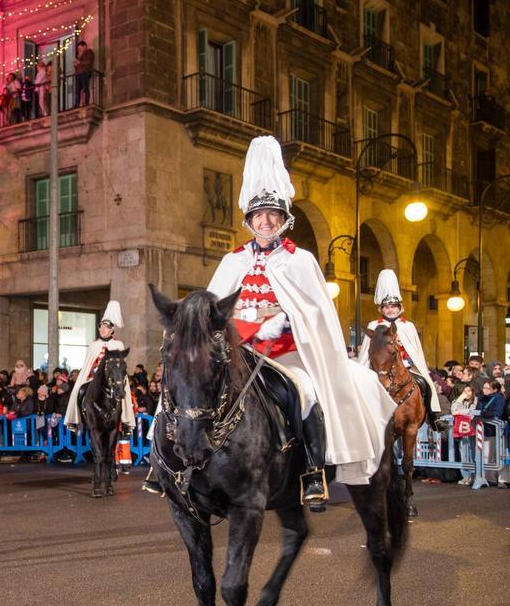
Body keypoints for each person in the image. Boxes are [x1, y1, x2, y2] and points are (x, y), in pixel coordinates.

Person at [158, 135, 396, 509]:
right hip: (241, 351)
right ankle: (166, 465)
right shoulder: (232, 261)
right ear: (249, 220)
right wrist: (246, 322)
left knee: (304, 393)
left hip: (285, 351)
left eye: (272, 215)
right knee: (187, 383)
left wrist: (286, 317)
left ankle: (314, 472)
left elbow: (316, 312)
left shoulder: (299, 260)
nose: (265, 222)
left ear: (284, 220)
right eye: (258, 215)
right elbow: (212, 315)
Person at [357, 270, 446, 431]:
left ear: (400, 307)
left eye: (393, 307)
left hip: (406, 366)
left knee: (425, 384)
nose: (390, 310)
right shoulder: (373, 325)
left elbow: (415, 350)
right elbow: (367, 352)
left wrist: (411, 362)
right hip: (380, 369)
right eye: (387, 307)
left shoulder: (408, 326)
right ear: (381, 309)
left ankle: (434, 416)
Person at [64, 301, 137, 435]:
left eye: (105, 328)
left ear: (112, 330)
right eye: (101, 327)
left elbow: (120, 365)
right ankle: (77, 418)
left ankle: (126, 422)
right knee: (79, 391)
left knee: (123, 392)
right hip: (93, 378)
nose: (102, 330)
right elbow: (88, 364)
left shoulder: (118, 344)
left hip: (112, 378)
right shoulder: (93, 345)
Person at [73, 40, 95, 106]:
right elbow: (77, 67)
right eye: (78, 49)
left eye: (80, 48)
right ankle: (77, 104)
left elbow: (88, 62)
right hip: (79, 74)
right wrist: (75, 64)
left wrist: (79, 62)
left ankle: (86, 102)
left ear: (85, 46)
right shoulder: (79, 55)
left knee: (85, 88)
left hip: (85, 72)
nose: (79, 50)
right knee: (77, 90)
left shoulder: (89, 52)